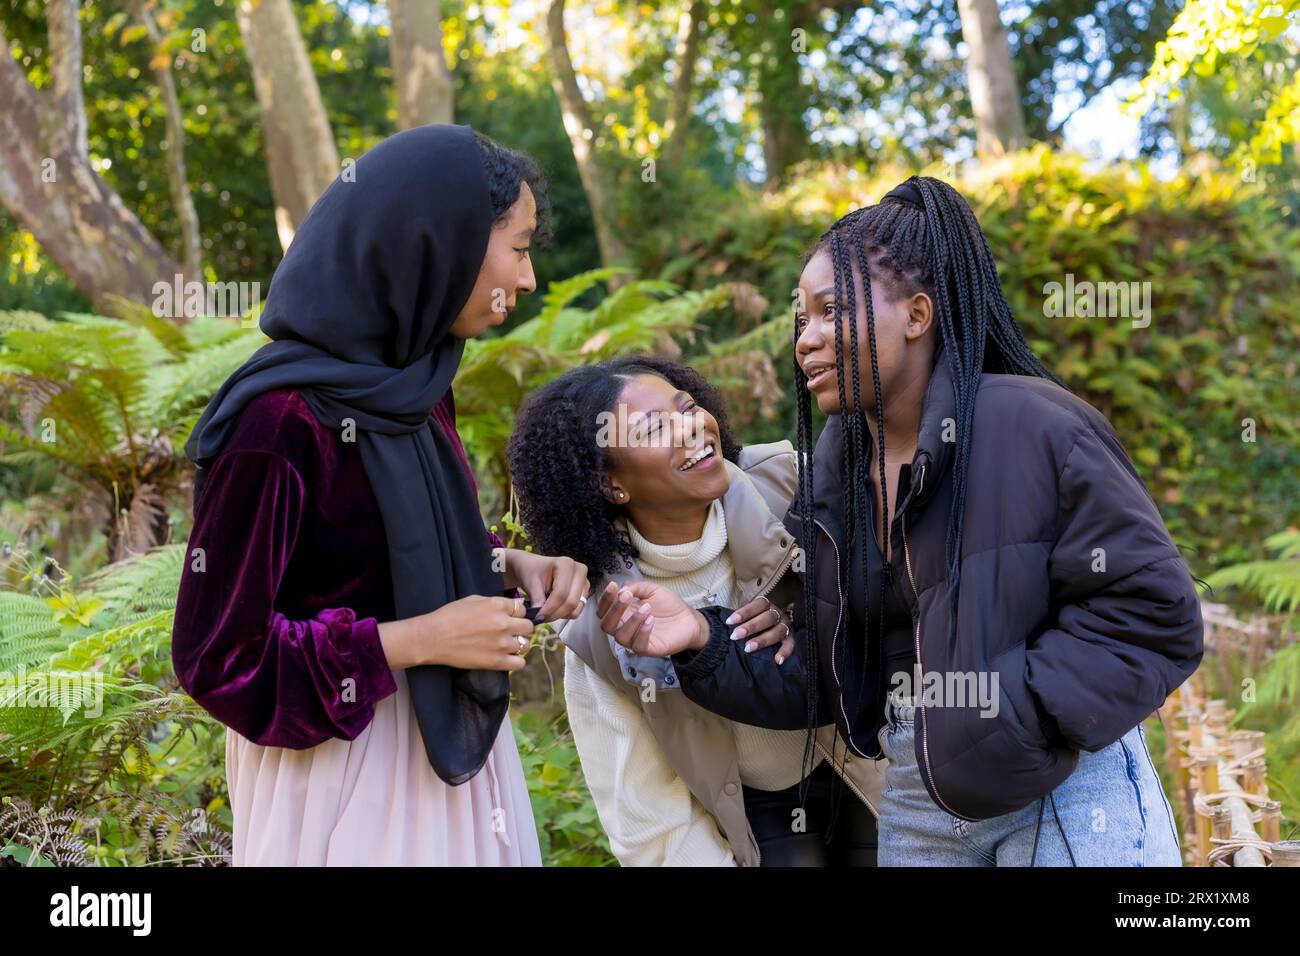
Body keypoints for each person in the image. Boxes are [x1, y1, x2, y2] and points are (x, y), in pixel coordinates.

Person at [592, 176, 1203, 866]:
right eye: (801, 320)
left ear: (917, 315)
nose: (806, 340)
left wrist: (1013, 719)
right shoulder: (836, 475)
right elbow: (829, 684)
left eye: (831, 312)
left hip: (1065, 790)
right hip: (917, 795)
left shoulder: (1035, 425)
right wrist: (702, 639)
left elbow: (1156, 612)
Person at [173, 125, 588, 866]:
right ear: (437, 243)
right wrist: (419, 640)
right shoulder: (279, 421)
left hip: (442, 744)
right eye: (518, 248)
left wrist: (503, 565)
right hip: (335, 771)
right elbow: (217, 657)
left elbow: (387, 551)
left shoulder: (415, 389)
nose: (527, 279)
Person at [507, 356, 883, 866]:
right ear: (610, 484)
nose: (691, 428)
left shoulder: (792, 486)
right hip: (750, 817)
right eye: (656, 428)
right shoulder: (604, 629)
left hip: (870, 764)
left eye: (687, 407)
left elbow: (892, 613)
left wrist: (802, 621)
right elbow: (649, 824)